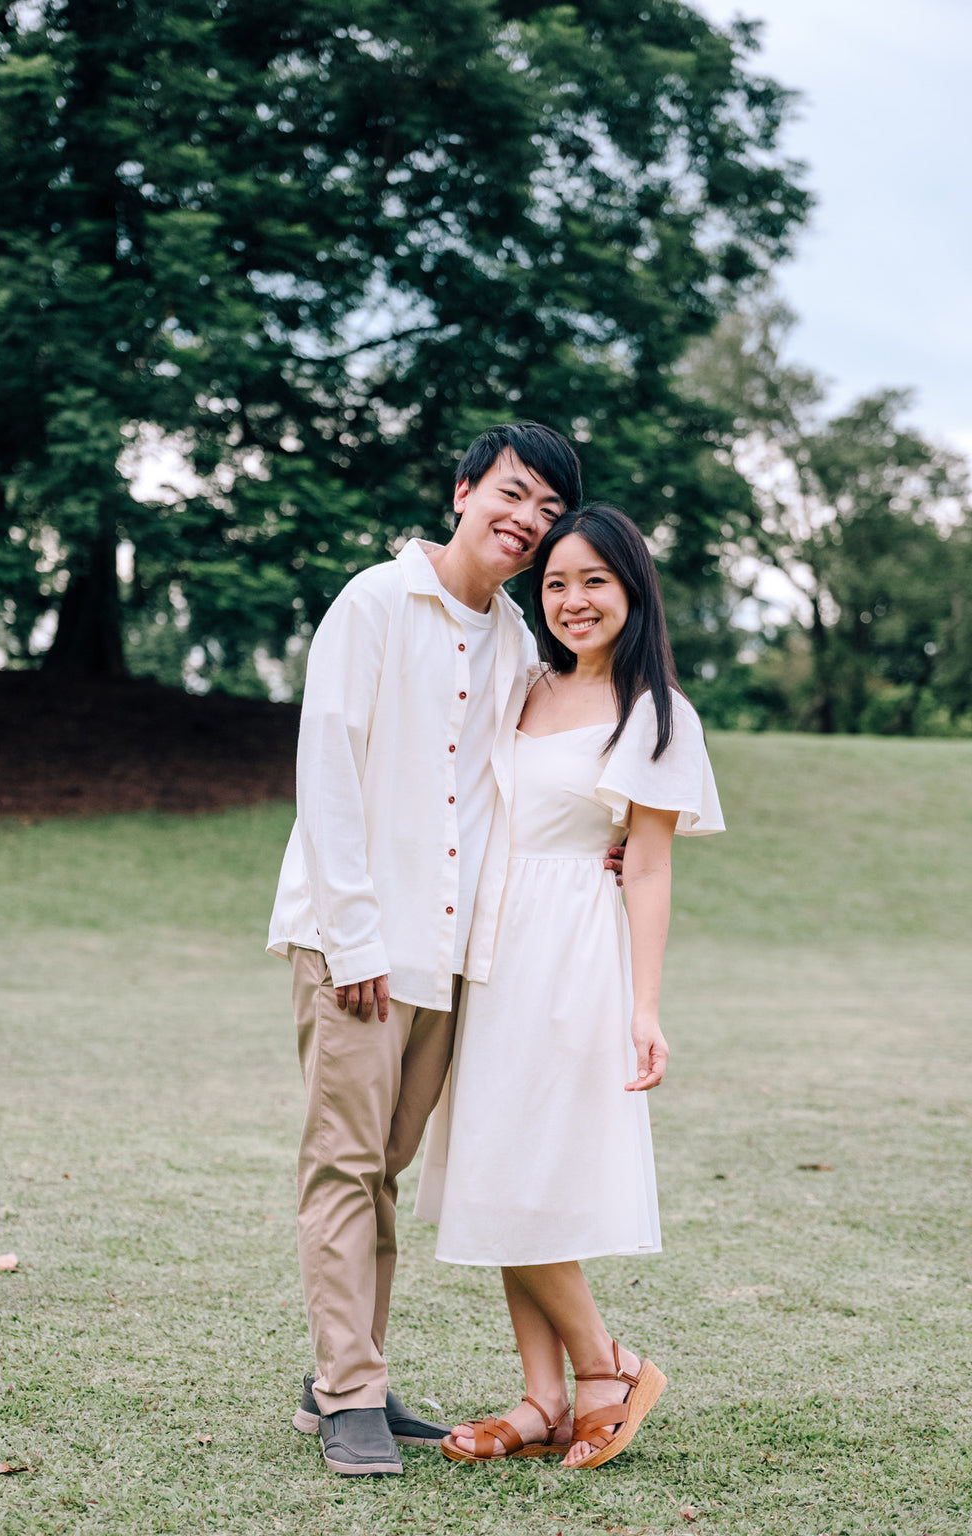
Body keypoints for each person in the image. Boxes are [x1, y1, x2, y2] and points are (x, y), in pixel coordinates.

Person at [267, 423, 601, 1477]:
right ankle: (351, 1395)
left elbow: (521, 787)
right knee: (345, 1166)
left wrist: (614, 850)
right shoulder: (372, 602)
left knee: (387, 1170)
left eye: (549, 512)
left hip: (451, 958)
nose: (528, 522)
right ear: (462, 490)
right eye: (513, 494)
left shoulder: (513, 640)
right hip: (355, 946)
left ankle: (342, 1374)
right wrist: (355, 934)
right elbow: (329, 770)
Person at [414, 503, 725, 1470]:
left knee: (524, 1168)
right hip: (493, 950)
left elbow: (652, 867)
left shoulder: (657, 715)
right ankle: (543, 1397)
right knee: (499, 1165)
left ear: (632, 589)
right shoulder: (523, 684)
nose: (573, 600)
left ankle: (607, 1369)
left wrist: (643, 1007)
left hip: (573, 957)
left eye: (594, 580)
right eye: (555, 582)